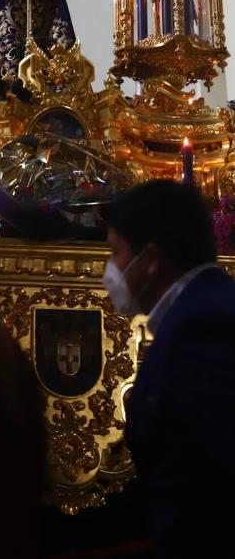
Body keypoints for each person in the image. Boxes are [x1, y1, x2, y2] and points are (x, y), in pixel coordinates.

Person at [100, 180, 235, 558]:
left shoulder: (203, 326)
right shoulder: (207, 307)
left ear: (152, 259)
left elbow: (212, 476)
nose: (110, 270)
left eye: (116, 252)